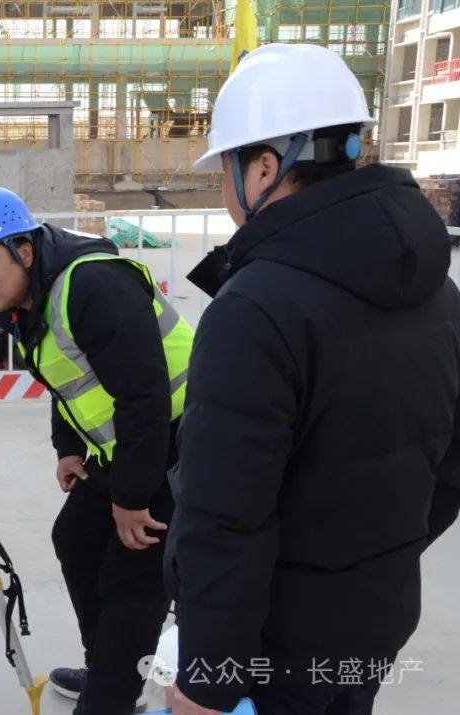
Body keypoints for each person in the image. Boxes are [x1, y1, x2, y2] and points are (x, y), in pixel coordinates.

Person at [164, 43, 460, 715]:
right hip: (376, 619)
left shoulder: (255, 309)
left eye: (227, 166)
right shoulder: (437, 291)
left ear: (265, 168)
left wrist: (209, 682)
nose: (224, 188)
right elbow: (450, 467)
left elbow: (224, 519)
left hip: (275, 646)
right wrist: (381, 556)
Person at [0, 188, 195, 715]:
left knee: (132, 574)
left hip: (185, 440)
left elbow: (145, 395)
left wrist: (131, 498)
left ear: (24, 251)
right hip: (132, 442)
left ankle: (110, 697)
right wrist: (68, 448)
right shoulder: (30, 303)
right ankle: (105, 669)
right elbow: (70, 380)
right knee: (77, 538)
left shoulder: (93, 285)